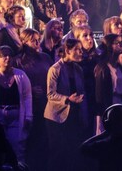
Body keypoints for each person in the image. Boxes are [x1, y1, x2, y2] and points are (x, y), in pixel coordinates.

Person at [0, 45, 33, 166]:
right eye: (3, 56)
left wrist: (29, 116)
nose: (7, 58)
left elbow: (27, 97)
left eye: (10, 55)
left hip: (15, 116)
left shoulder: (21, 76)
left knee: (17, 146)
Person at [45, 38, 90, 171]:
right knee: (58, 153)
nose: (81, 52)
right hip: (56, 118)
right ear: (67, 51)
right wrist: (67, 99)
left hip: (74, 115)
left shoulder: (78, 69)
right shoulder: (55, 69)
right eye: (77, 49)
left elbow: (82, 92)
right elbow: (50, 94)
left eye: (81, 49)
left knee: (73, 152)